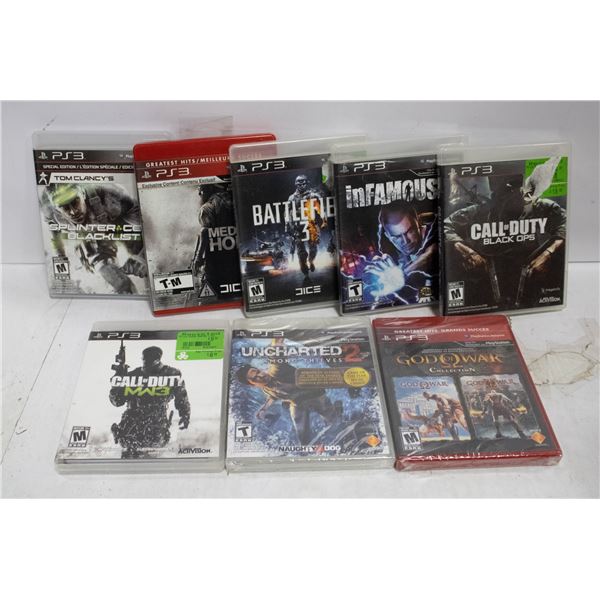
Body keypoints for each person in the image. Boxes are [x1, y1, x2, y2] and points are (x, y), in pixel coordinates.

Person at [40, 183, 147, 294]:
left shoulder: (110, 196)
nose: (73, 212)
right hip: (91, 239)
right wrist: (62, 276)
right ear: (57, 209)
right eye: (65, 207)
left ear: (83, 193)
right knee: (120, 282)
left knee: (148, 261)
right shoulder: (49, 211)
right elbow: (57, 243)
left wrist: (142, 257)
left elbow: (150, 226)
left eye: (75, 202)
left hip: (120, 224)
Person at [110, 346, 190, 458]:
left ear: (157, 359)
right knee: (130, 461)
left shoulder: (171, 374)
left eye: (148, 359)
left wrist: (185, 415)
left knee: (152, 459)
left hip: (155, 428)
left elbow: (181, 397)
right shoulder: (133, 375)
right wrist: (118, 379)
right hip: (131, 429)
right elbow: (117, 401)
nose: (145, 362)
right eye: (144, 359)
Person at [236, 361, 342, 445]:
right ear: (253, 385)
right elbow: (273, 396)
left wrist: (277, 343)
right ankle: (306, 445)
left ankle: (337, 413)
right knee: (300, 427)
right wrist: (264, 408)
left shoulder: (276, 371)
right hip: (297, 403)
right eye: (255, 378)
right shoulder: (265, 388)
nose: (261, 375)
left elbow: (276, 360)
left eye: (258, 371)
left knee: (332, 419)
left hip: (314, 395)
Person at [362, 203, 437, 304]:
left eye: (410, 231)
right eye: (397, 237)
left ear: (418, 223)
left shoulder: (434, 230)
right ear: (388, 236)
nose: (406, 241)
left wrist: (403, 274)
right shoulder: (389, 253)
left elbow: (429, 255)